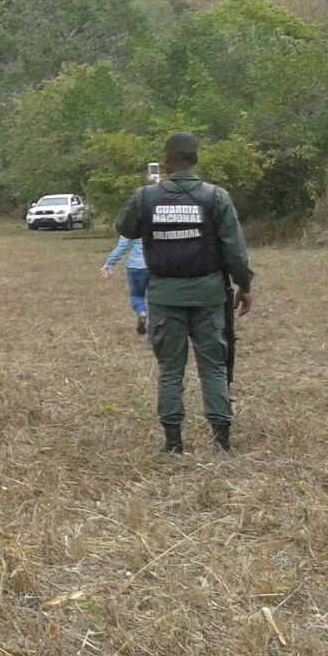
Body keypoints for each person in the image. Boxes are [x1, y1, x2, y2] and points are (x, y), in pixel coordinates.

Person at [115, 133, 254, 455]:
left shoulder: (145, 197)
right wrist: (244, 285)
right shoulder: (215, 197)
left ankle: (174, 444)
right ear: (197, 159)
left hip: (165, 295)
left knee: (170, 371)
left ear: (166, 160)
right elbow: (235, 250)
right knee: (214, 368)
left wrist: (146, 192)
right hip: (208, 295)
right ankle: (222, 442)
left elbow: (125, 228)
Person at [100, 235, 150, 336]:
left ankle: (141, 312)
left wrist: (109, 264)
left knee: (136, 296)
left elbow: (122, 247)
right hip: (155, 265)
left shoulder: (130, 224)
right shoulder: (157, 220)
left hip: (136, 266)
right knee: (155, 300)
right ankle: (153, 334)